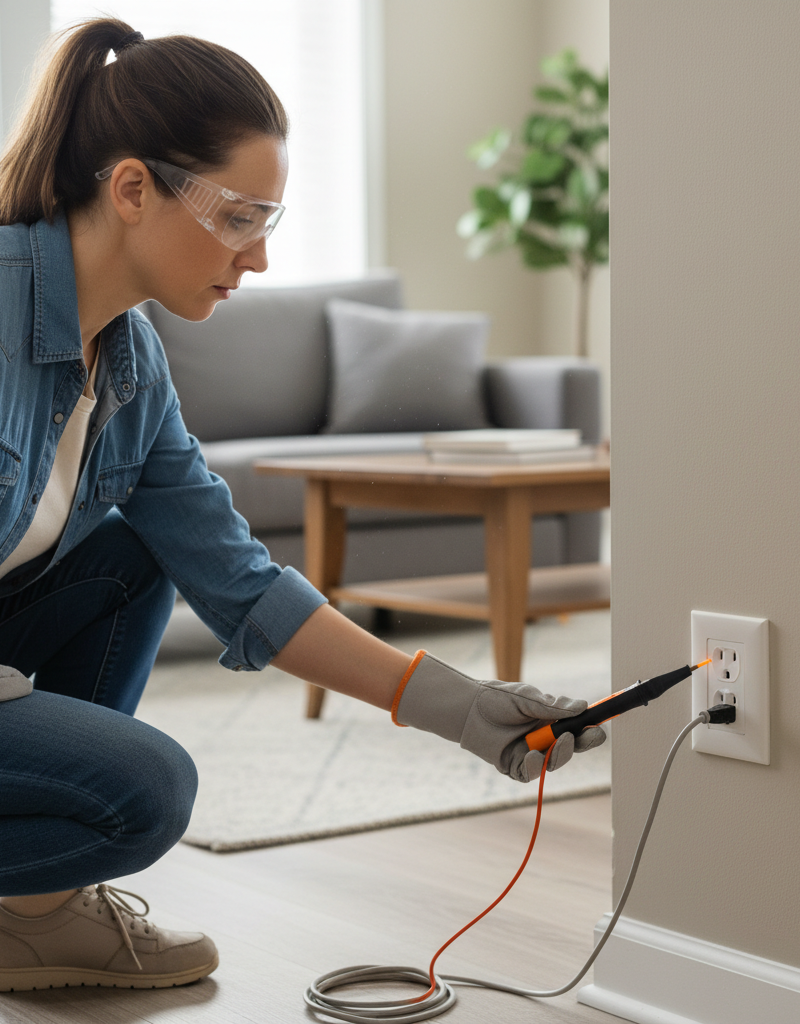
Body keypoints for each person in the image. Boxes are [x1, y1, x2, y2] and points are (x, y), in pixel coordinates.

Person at [0, 18, 605, 993]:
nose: (258, 258)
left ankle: (30, 919)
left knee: (136, 557)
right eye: (240, 217)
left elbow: (238, 582)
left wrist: (462, 706)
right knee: (143, 791)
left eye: (267, 224)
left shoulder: (129, 358)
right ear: (130, 189)